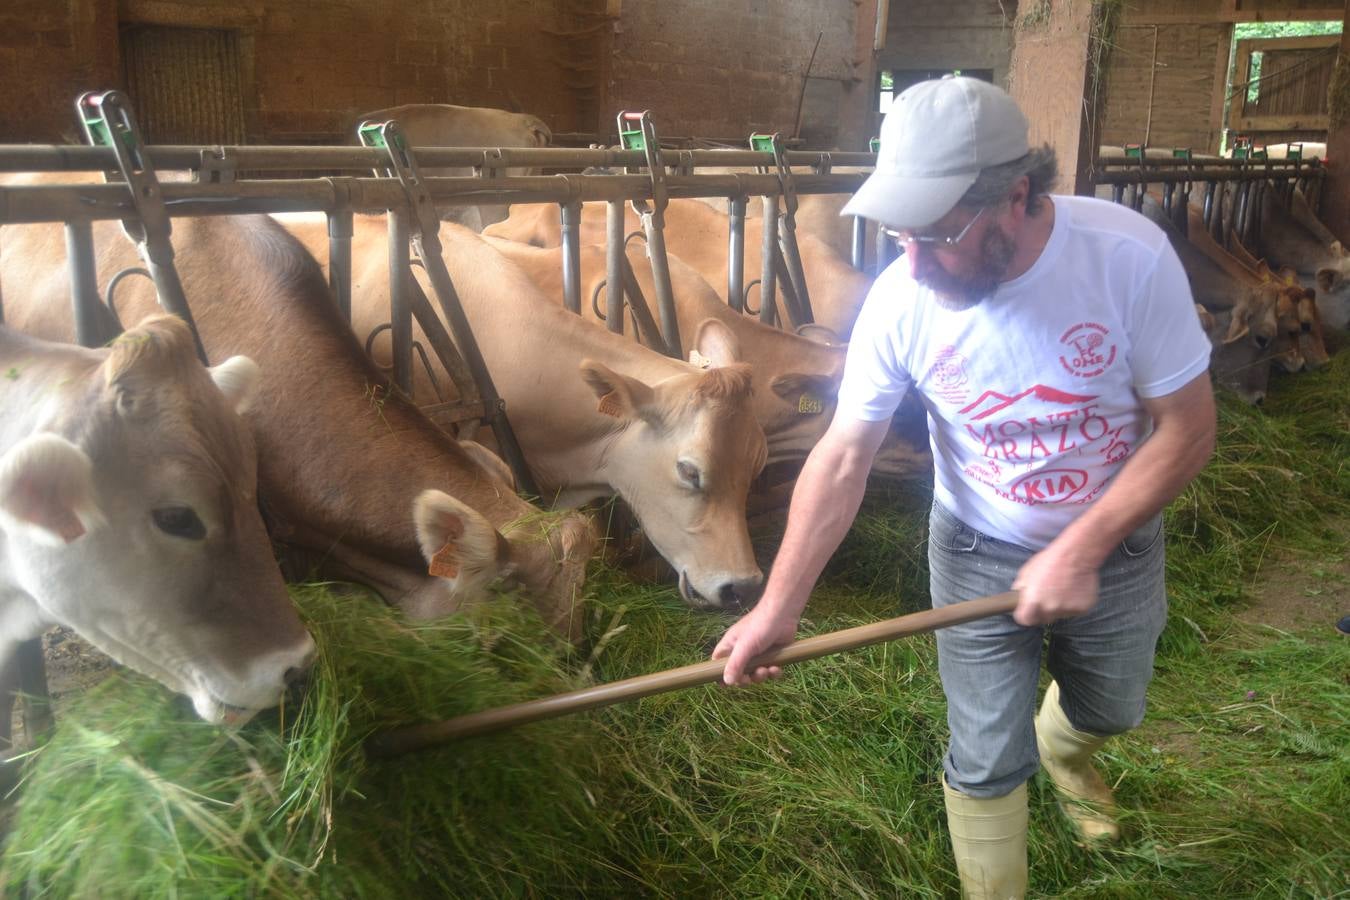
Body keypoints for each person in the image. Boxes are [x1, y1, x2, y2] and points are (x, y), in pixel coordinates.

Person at [711, 76, 1216, 899]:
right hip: (977, 545)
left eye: (938, 234)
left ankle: (1067, 749)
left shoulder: (1125, 259)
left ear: (1016, 196)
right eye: (898, 236)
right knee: (983, 753)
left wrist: (1082, 547)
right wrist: (779, 603)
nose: (912, 261)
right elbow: (844, 454)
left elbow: (1188, 428)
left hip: (1116, 542)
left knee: (1113, 708)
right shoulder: (901, 302)